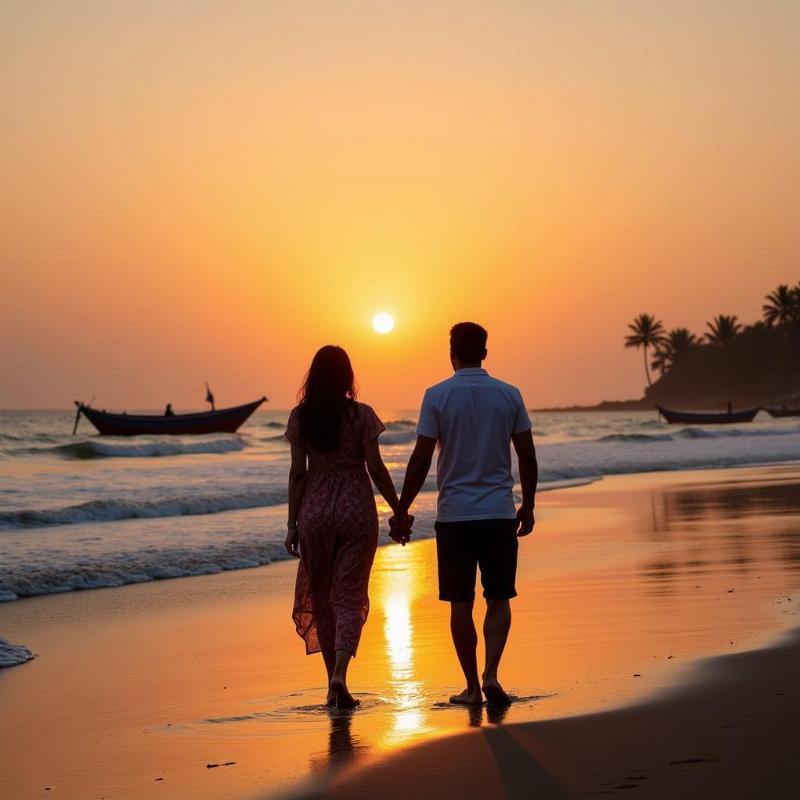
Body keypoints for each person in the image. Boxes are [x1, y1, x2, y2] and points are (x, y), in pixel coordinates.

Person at [391, 322, 538, 706]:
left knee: (461, 602)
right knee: (499, 598)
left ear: (451, 352)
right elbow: (527, 454)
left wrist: (402, 509)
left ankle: (472, 687)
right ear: (485, 353)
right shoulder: (509, 394)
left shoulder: (437, 396)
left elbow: (421, 457)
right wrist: (529, 503)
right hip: (498, 513)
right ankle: (492, 674)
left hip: (455, 516)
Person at [284, 345, 406, 708]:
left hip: (315, 510)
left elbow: (297, 473)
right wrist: (398, 509)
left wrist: (292, 524)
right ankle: (340, 673)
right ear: (346, 376)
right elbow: (376, 469)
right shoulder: (361, 415)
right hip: (355, 507)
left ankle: (332, 685)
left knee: (322, 597)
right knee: (349, 595)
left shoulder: (300, 417)